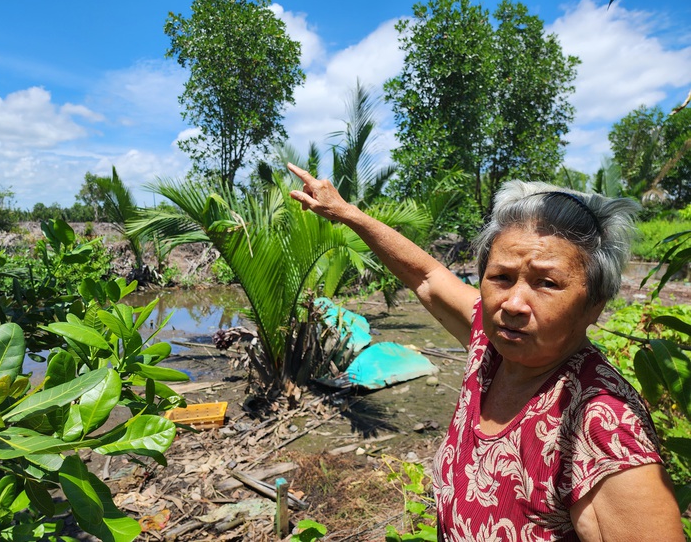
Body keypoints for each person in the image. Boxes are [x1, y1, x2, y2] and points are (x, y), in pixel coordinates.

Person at [287, 163, 685, 541]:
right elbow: (426, 275)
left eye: (546, 283)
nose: (512, 303)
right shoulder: (491, 341)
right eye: (501, 277)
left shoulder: (601, 425)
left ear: (594, 303)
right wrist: (346, 213)